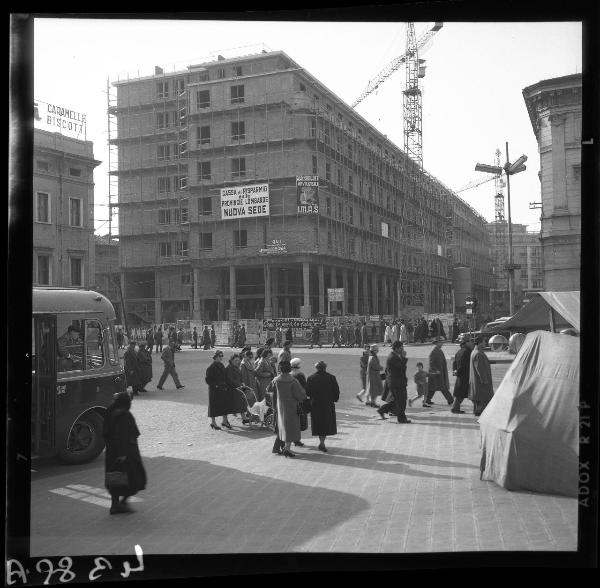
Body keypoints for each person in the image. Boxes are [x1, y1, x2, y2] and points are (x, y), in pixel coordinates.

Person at [103, 392, 147, 515]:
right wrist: (123, 454)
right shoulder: (124, 415)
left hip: (111, 453)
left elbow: (106, 432)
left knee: (115, 479)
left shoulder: (110, 411)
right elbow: (122, 435)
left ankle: (115, 505)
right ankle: (122, 503)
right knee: (134, 479)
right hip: (127, 453)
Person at [267, 360, 307, 458]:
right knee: (291, 427)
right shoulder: (293, 380)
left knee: (282, 427)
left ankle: (284, 448)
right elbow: (301, 395)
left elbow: (268, 389)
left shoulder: (276, 380)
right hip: (292, 407)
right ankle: (287, 449)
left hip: (280, 407)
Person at [306, 360, 340, 452]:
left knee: (318, 423)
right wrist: (334, 399)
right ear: (325, 368)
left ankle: (321, 441)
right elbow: (336, 391)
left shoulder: (311, 378)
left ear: (316, 368)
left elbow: (307, 392)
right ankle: (322, 442)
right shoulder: (331, 377)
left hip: (315, 404)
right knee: (326, 423)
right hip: (327, 403)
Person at [377, 341, 411, 423]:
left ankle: (382, 410)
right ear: (396, 348)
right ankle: (401, 419)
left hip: (398, 382)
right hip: (396, 383)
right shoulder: (392, 357)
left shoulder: (395, 356)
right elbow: (402, 368)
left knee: (396, 401)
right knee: (401, 402)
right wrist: (403, 357)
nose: (402, 349)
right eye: (401, 347)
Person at [206, 350, 234, 430]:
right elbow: (208, 380)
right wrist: (216, 385)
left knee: (224, 405)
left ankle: (225, 421)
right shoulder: (211, 367)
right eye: (219, 356)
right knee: (213, 406)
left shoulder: (221, 365)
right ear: (216, 357)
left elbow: (225, 375)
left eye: (222, 356)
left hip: (222, 388)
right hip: (214, 390)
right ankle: (213, 422)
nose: (221, 358)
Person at [469, 336, 494, 416]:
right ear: (480, 343)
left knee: (479, 401)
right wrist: (485, 381)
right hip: (481, 383)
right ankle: (480, 415)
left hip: (478, 382)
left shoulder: (475, 351)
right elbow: (480, 369)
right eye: (484, 341)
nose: (485, 343)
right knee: (483, 400)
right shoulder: (478, 354)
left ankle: (478, 413)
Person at [426, 337, 453, 405]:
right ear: (437, 343)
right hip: (436, 373)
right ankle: (450, 400)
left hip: (440, 372)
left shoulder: (439, 350)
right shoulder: (434, 351)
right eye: (440, 342)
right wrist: (435, 370)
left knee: (433, 387)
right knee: (442, 387)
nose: (442, 343)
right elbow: (431, 363)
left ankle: (427, 399)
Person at [451, 337, 474, 414]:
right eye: (470, 341)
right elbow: (463, 365)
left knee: (461, 393)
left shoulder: (459, 351)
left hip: (460, 375)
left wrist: (455, 371)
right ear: (466, 343)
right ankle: (455, 408)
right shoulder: (467, 352)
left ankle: (455, 408)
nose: (472, 343)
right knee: (462, 394)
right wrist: (459, 371)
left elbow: (454, 363)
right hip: (465, 375)